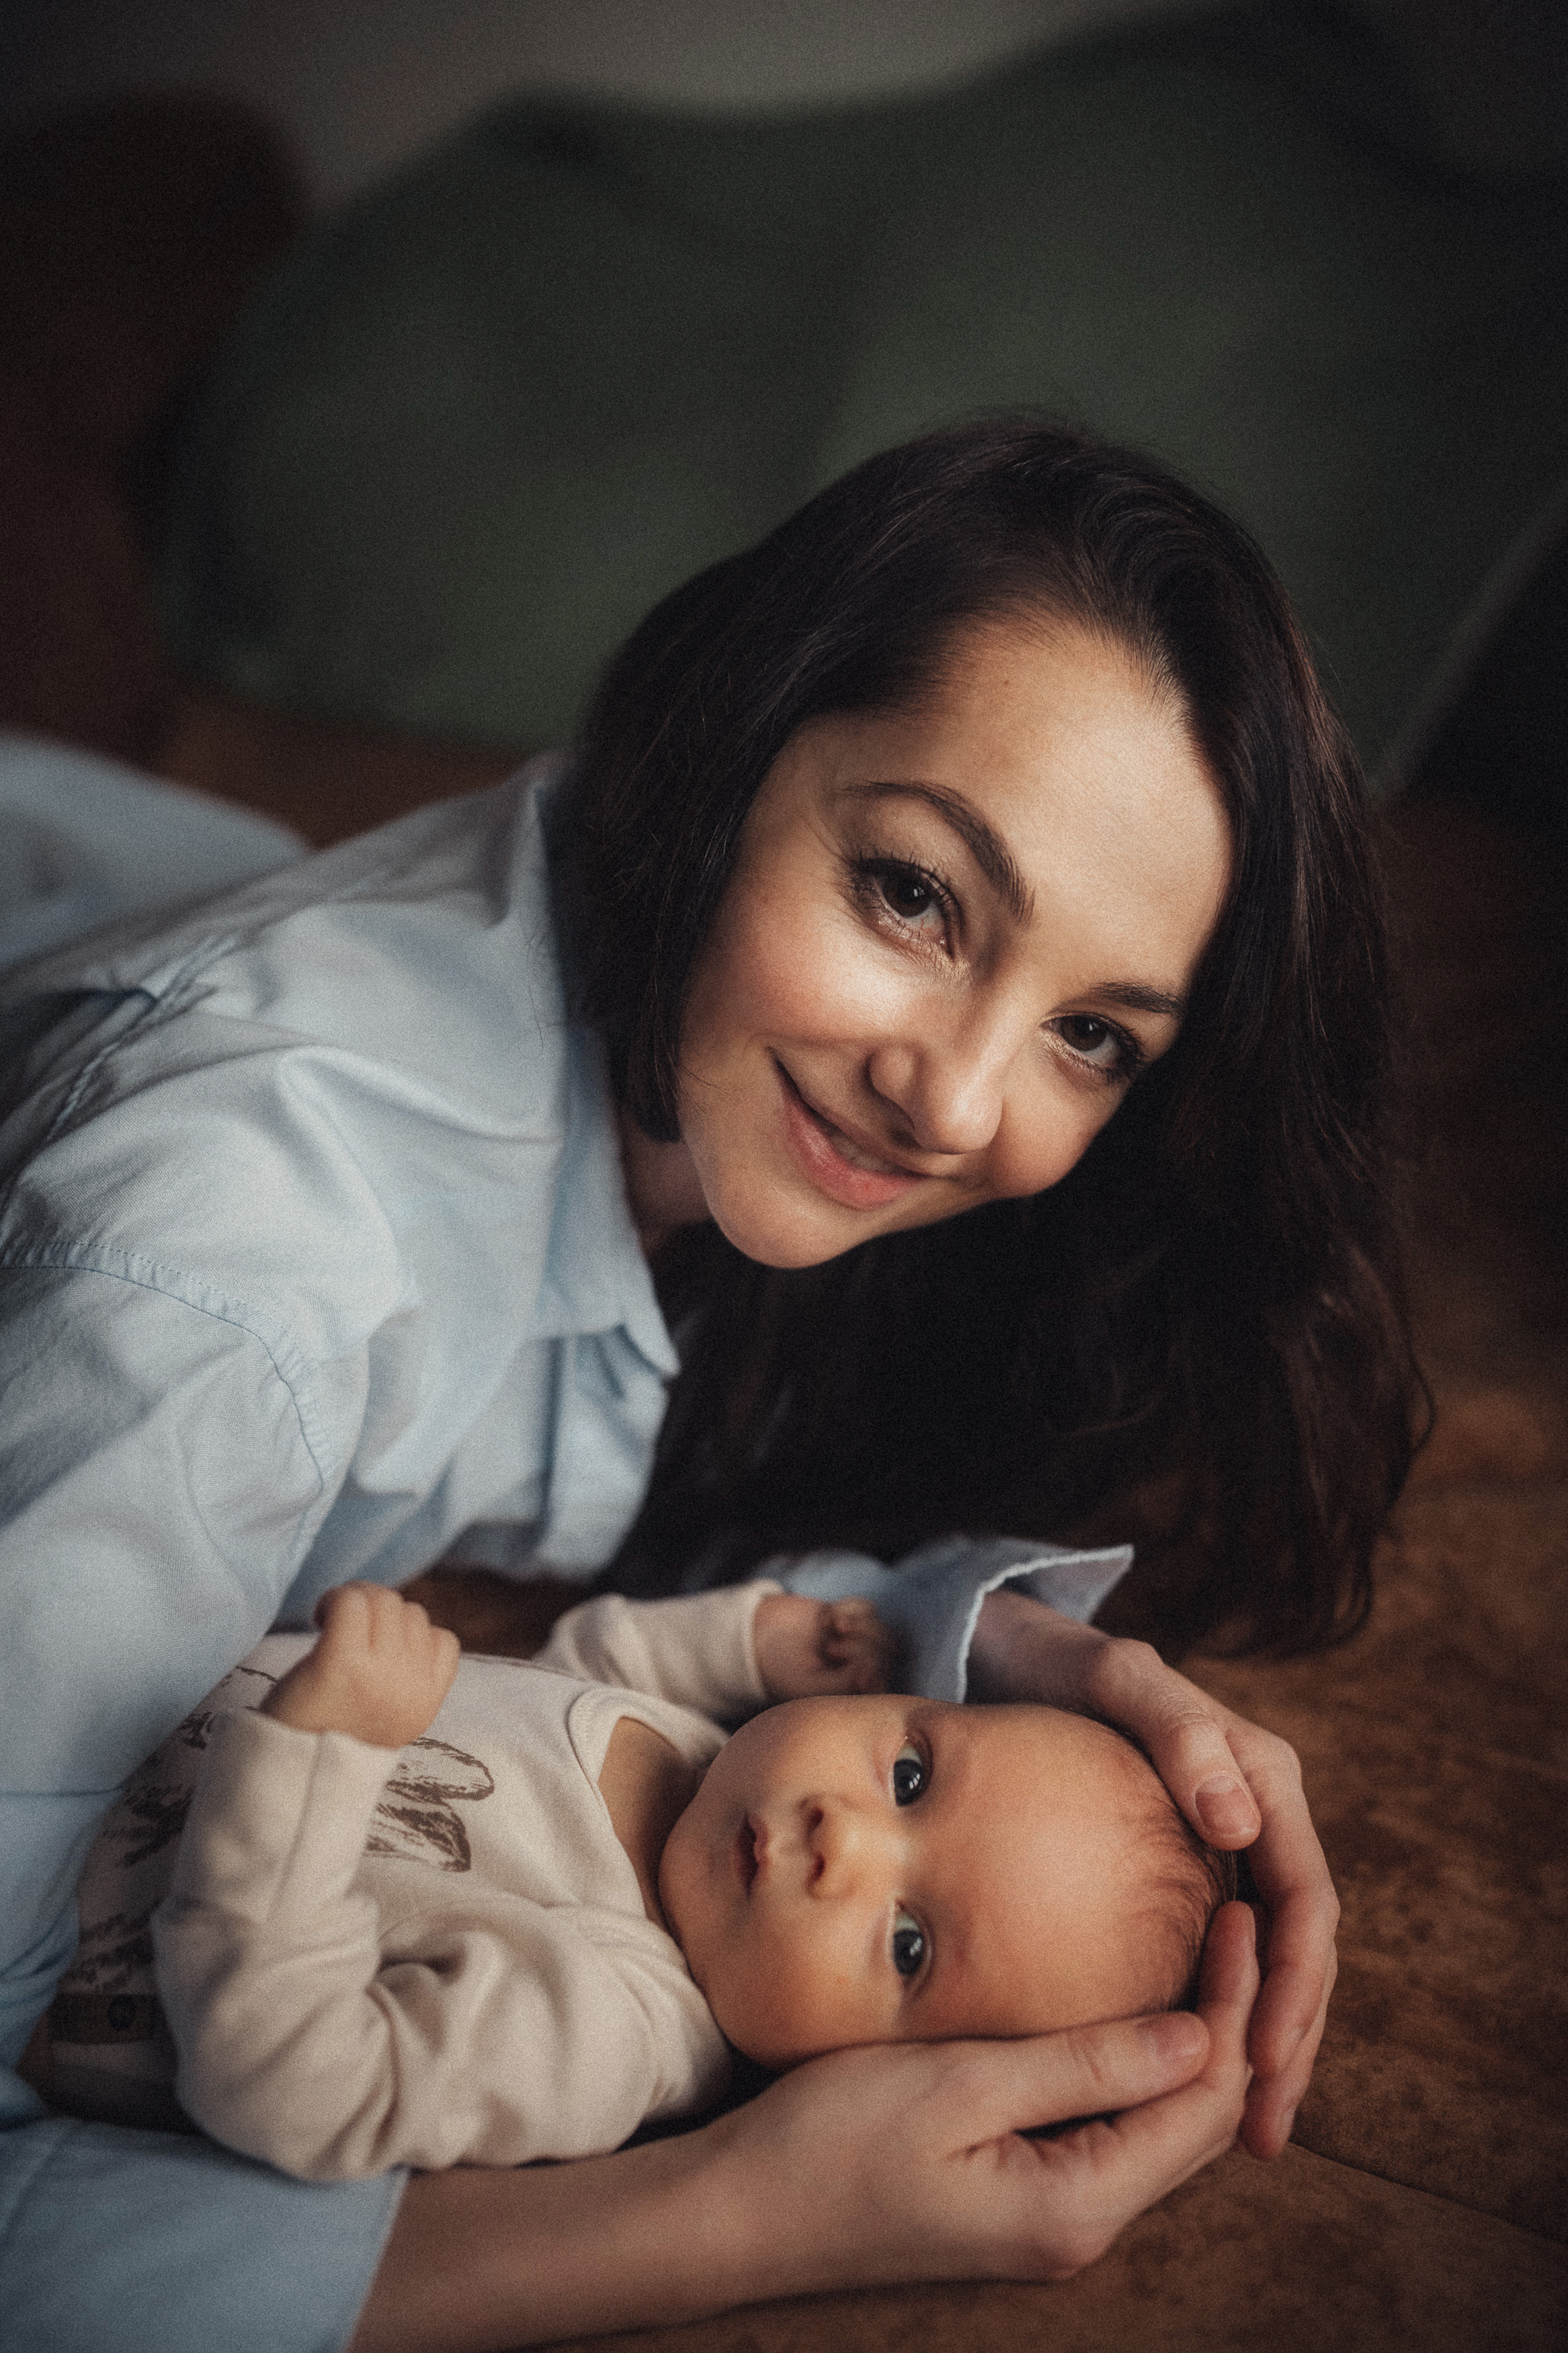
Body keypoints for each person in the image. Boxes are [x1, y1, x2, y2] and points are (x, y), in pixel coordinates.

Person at [0, 420, 1416, 2351]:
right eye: (916, 895)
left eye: (1091, 1031)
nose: (959, 1100)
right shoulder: (234, 1292)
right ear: (735, 733)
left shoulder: (697, 1040)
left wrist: (999, 1664)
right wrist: (735, 2215)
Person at [50, 1577, 1233, 2176]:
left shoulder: (611, 2026)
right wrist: (740, 1641)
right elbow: (570, 1681)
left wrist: (329, 1758)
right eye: (912, 1777)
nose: (844, 1838)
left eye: (907, 1945)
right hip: (84, 1712)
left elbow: (294, 2083)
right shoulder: (712, 1761)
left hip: (42, 1928)